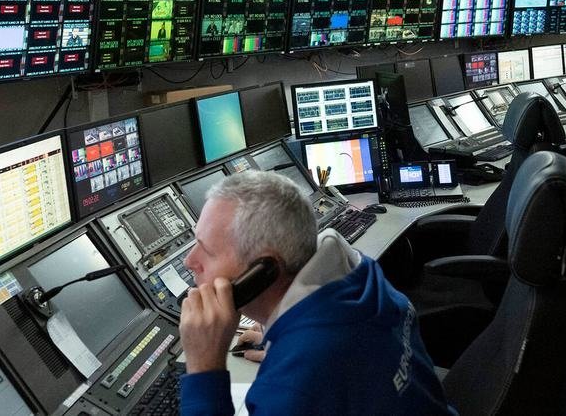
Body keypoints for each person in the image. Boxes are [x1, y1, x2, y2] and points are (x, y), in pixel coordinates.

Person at [178, 171, 453, 415]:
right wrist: (284, 346)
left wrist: (204, 368)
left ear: (263, 271)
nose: (190, 261)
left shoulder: (292, 388)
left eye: (207, 250)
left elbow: (316, 374)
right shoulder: (363, 280)